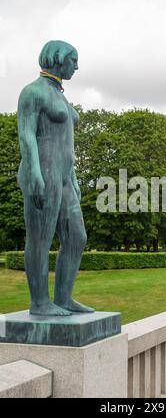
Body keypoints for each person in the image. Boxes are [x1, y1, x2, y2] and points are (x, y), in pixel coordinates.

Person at [18, 41, 94, 316]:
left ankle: (63, 298)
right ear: (58, 58)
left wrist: (73, 179)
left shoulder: (59, 95)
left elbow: (66, 143)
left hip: (64, 177)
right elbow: (26, 135)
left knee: (77, 237)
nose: (76, 66)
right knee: (40, 238)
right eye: (74, 60)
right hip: (42, 174)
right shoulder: (33, 92)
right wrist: (34, 173)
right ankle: (39, 302)